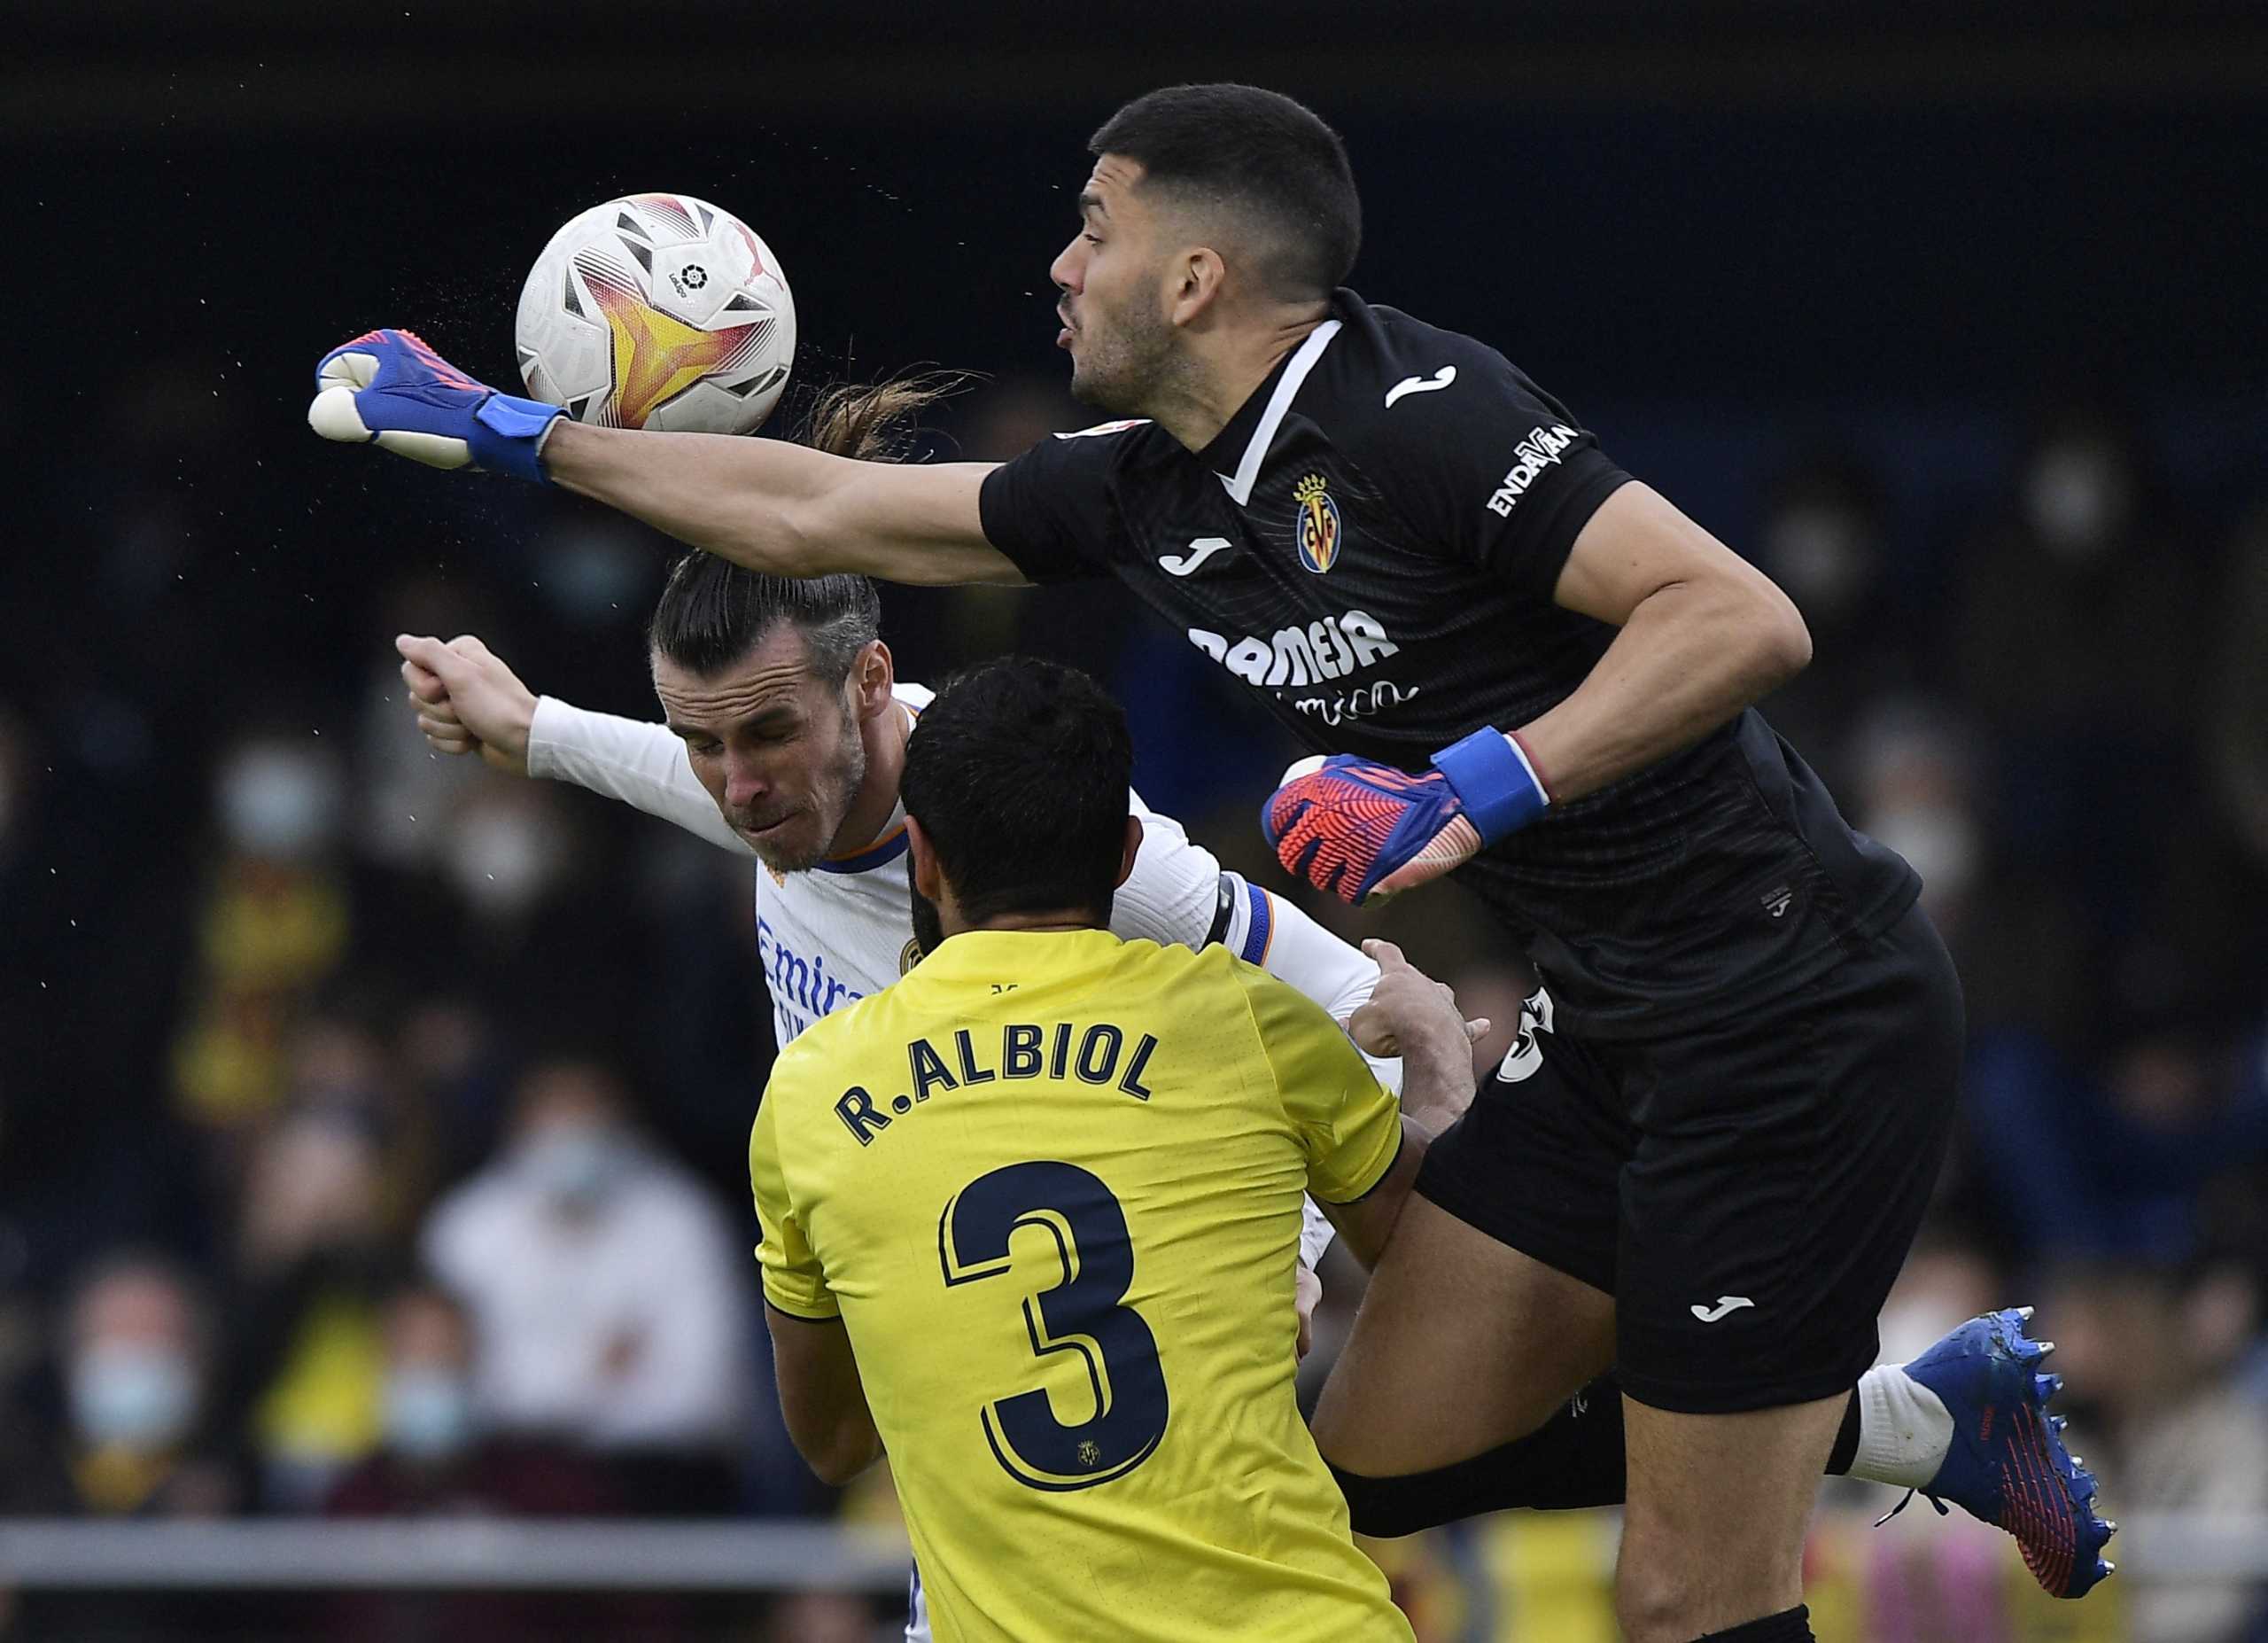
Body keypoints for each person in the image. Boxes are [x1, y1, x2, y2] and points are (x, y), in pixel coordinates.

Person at [309, 83, 2112, 1638]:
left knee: (1684, 1601)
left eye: (1089, 232)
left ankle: (1853, 1430)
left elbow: (1737, 615)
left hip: (1779, 1001)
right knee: (1376, 1458)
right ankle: (1908, 1421)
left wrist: (1467, 791)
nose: (1057, 269)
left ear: (1194, 274)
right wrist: (508, 431)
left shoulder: (1419, 415)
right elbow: (822, 509)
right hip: (1612, 1006)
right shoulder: (1145, 483)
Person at [750, 654, 1476, 1642]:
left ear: (919, 854)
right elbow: (1445, 1267)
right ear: (1129, 852)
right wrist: (1435, 1050)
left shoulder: (813, 1093)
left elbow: (834, 1441)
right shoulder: (1249, 1021)